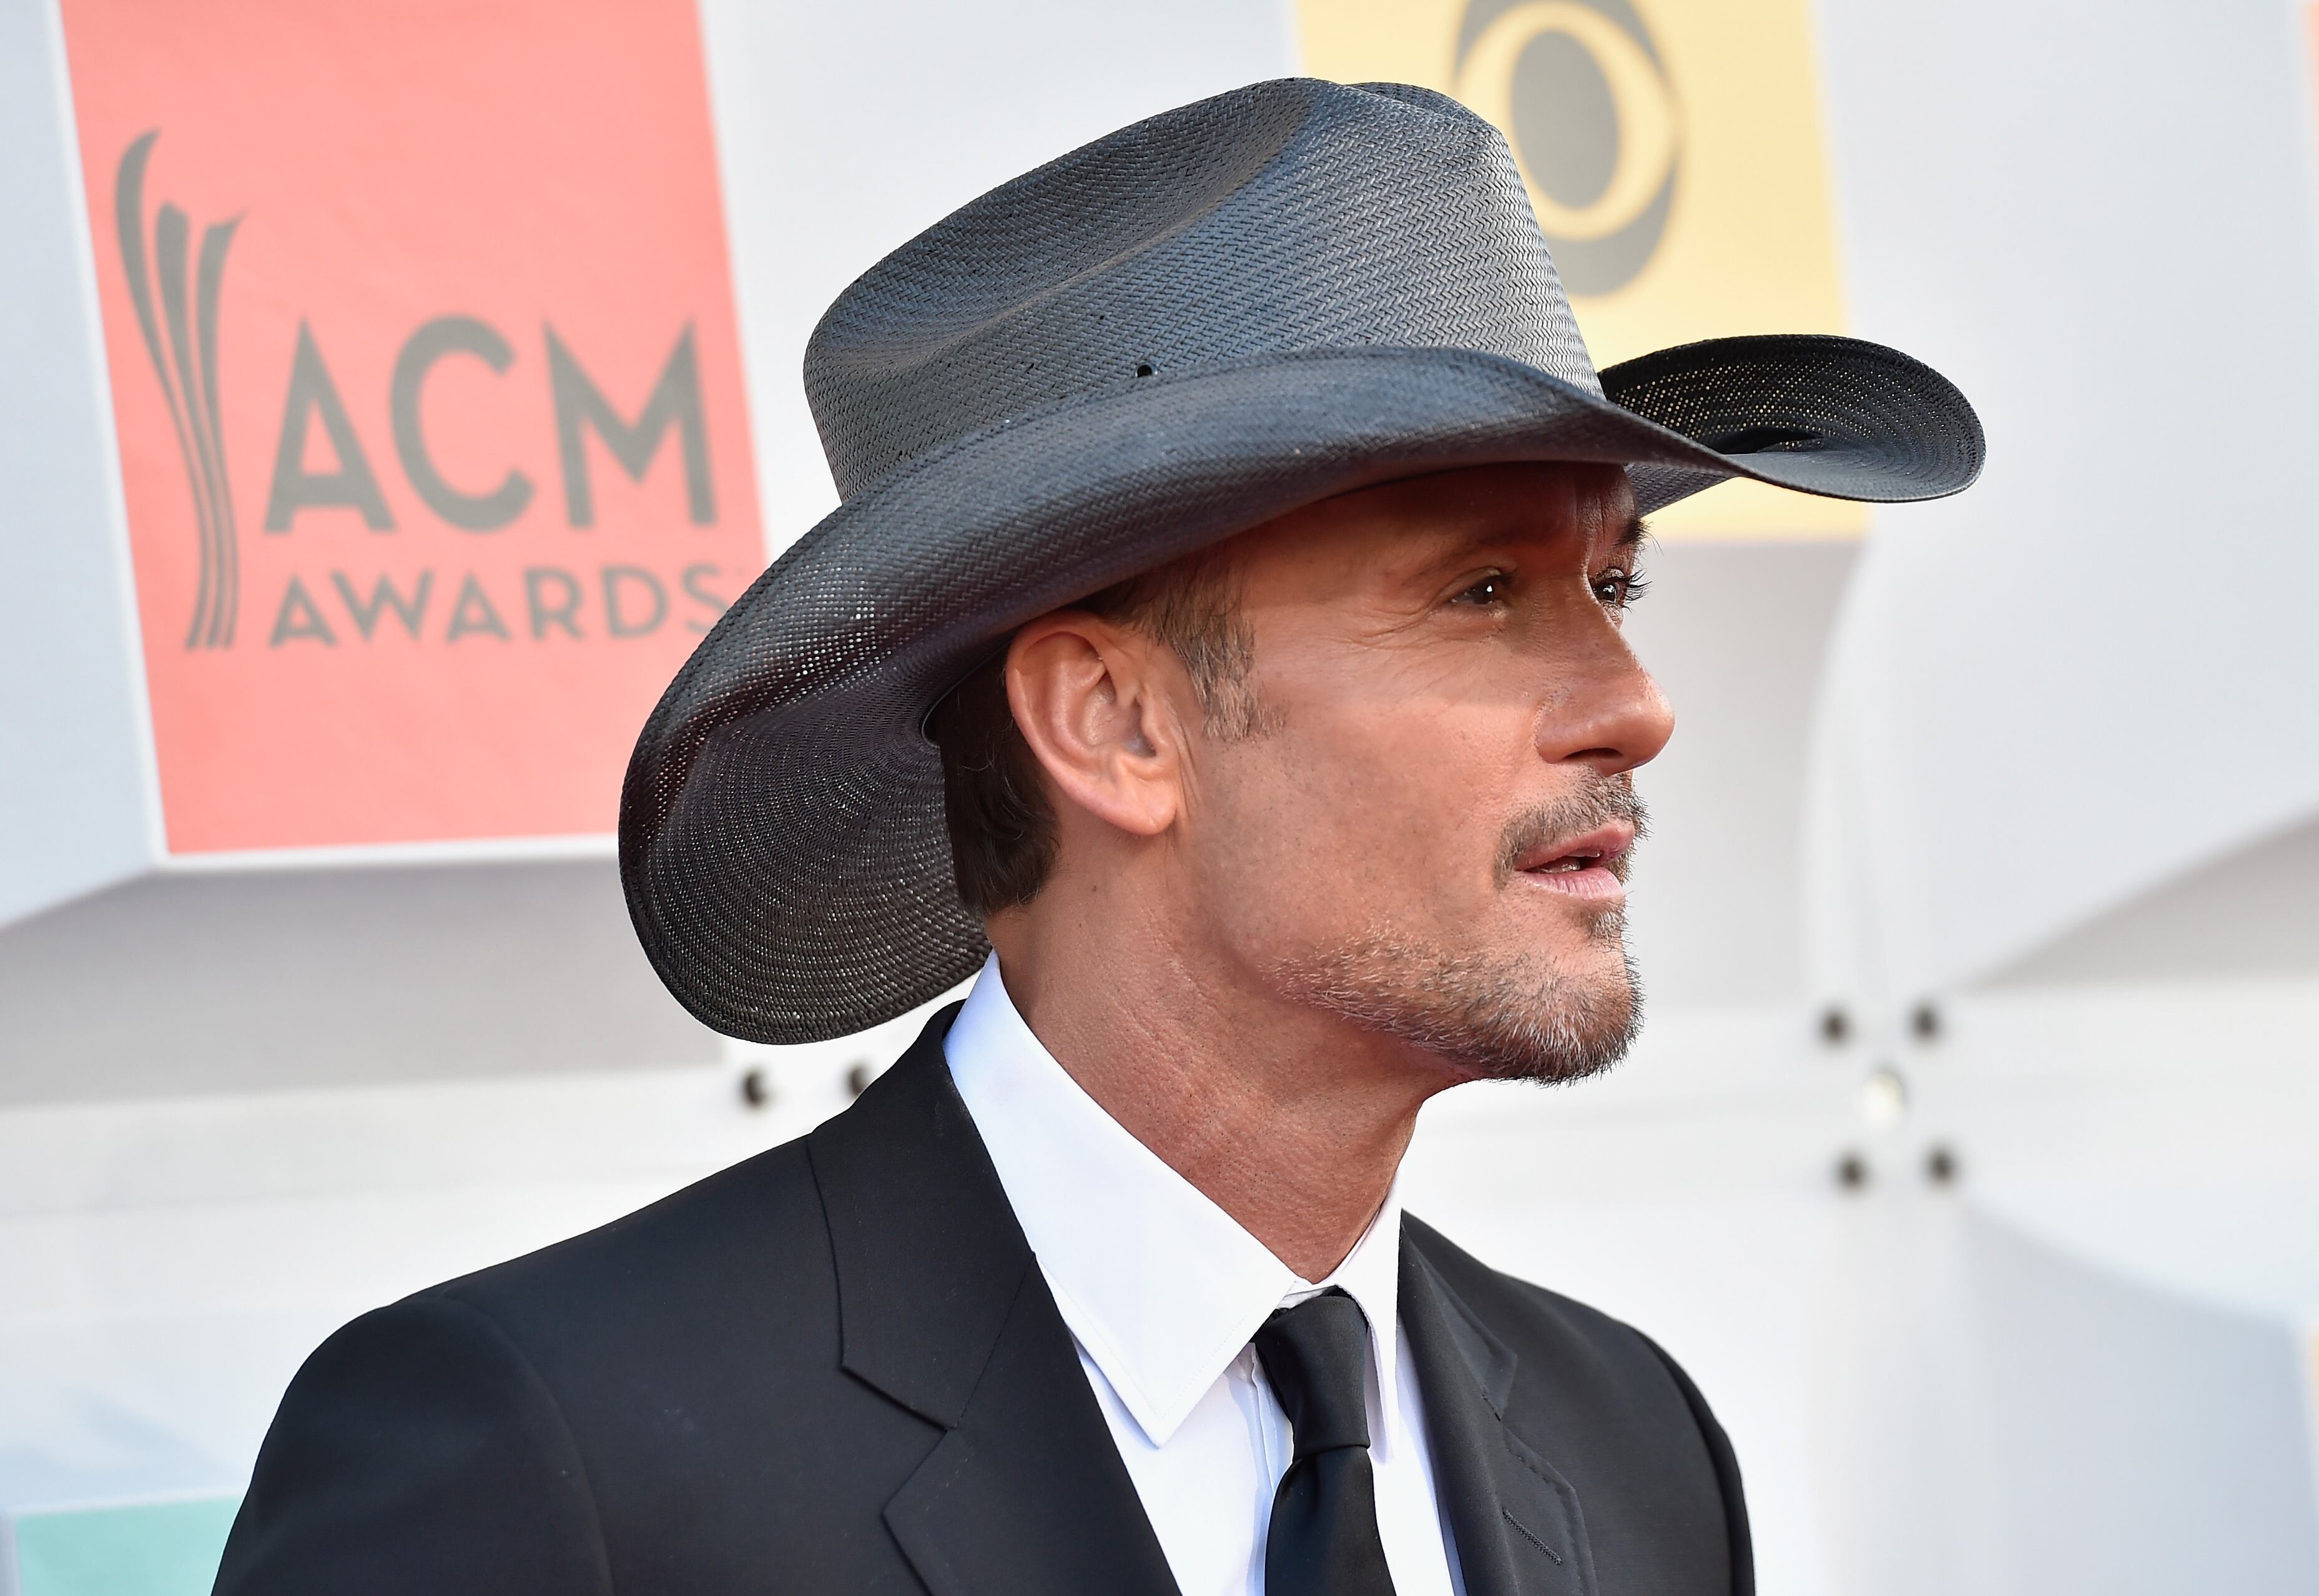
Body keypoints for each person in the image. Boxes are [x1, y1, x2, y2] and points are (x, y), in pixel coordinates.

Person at [214, 79, 1979, 1596]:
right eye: (1485, 590)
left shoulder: (1636, 1449)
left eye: (1611, 581)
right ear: (1114, 724)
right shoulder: (555, 1457)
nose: (1634, 701)